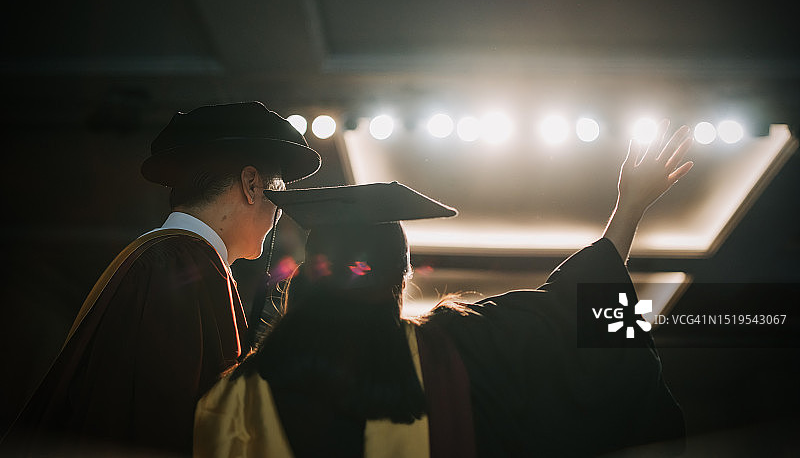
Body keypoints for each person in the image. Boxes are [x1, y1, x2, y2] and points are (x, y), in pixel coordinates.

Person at [193, 120, 692, 457]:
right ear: (400, 279)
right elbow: (570, 319)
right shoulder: (459, 347)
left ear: (307, 278)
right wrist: (630, 208)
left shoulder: (232, 402)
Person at [3, 101, 321, 456]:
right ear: (251, 184)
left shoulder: (166, 257)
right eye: (278, 192)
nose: (279, 213)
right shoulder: (182, 264)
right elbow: (173, 421)